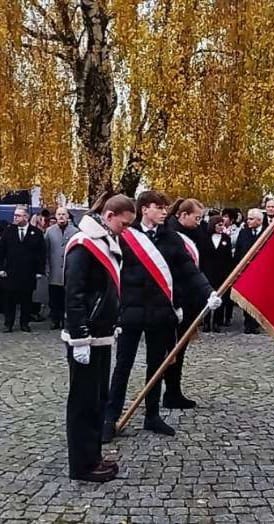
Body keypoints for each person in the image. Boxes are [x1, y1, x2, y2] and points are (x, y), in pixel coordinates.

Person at [102, 191, 222, 441]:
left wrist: (208, 292)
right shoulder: (125, 235)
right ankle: (110, 417)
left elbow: (188, 270)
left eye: (166, 207)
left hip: (161, 313)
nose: (164, 211)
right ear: (144, 209)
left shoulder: (171, 238)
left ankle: (152, 415)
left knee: (156, 366)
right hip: (131, 311)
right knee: (122, 367)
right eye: (159, 207)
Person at [63, 194, 136, 482]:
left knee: (97, 400)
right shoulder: (83, 245)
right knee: (82, 403)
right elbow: (74, 294)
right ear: (108, 216)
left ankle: (93, 456)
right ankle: (82, 465)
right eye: (124, 223)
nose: (126, 229)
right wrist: (80, 336)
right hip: (86, 338)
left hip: (102, 335)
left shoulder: (105, 242)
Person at [163, 197, 206, 409]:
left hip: (189, 299)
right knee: (173, 348)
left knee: (179, 349)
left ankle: (173, 390)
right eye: (196, 217)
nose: (199, 221)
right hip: (176, 300)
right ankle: (169, 392)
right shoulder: (172, 236)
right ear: (183, 215)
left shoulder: (192, 233)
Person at [0, 205, 46, 332]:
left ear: (26, 217)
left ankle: (24, 323)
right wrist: (1, 268)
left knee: (26, 300)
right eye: (14, 215)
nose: (15, 218)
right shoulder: (8, 231)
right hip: (10, 272)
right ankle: (8, 324)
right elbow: (1, 251)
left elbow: (41, 253)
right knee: (9, 300)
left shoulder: (36, 233)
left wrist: (39, 270)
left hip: (28, 273)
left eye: (18, 215)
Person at [45, 207, 79, 329]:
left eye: (63, 214)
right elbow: (46, 251)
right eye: (59, 214)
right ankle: (55, 320)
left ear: (68, 216)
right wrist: (47, 267)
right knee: (54, 297)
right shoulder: (49, 231)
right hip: (54, 270)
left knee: (67, 297)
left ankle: (66, 320)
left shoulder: (75, 231)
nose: (61, 217)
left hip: (69, 269)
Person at [201, 216, 235, 331]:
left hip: (221, 273)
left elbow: (229, 258)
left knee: (220, 297)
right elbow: (201, 257)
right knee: (206, 297)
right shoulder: (204, 238)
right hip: (207, 272)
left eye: (223, 225)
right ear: (213, 225)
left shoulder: (226, 238)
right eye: (219, 225)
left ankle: (217, 322)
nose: (222, 227)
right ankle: (205, 321)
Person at [235, 208, 263, 334]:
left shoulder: (267, 232)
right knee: (246, 297)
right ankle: (247, 323)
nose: (248, 221)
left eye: (251, 219)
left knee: (258, 298)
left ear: (259, 220)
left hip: (261, 271)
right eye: (248, 218)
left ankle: (256, 323)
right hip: (245, 271)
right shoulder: (243, 233)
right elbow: (238, 252)